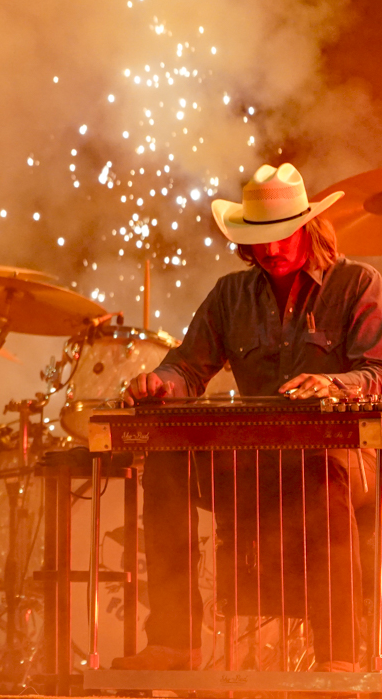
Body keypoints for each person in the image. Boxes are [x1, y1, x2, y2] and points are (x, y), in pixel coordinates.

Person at [113, 163, 382, 672]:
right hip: (255, 461)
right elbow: (187, 367)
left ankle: (339, 655)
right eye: (260, 238)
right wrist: (160, 382)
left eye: (282, 236)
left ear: (308, 228)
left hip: (344, 464)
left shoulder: (359, 284)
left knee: (322, 475)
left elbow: (380, 370)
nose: (272, 250)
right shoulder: (229, 295)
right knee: (167, 467)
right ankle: (174, 642)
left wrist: (334, 384)